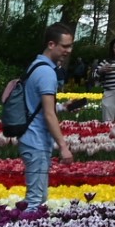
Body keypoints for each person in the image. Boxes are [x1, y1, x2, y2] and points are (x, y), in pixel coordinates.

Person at [15, 23, 73, 212]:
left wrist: (62, 107)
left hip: (29, 137)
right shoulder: (47, 73)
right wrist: (63, 146)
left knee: (38, 197)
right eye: (64, 46)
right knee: (35, 200)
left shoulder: (35, 66)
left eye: (70, 46)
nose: (68, 50)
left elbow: (37, 104)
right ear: (51, 44)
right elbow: (48, 114)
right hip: (37, 140)